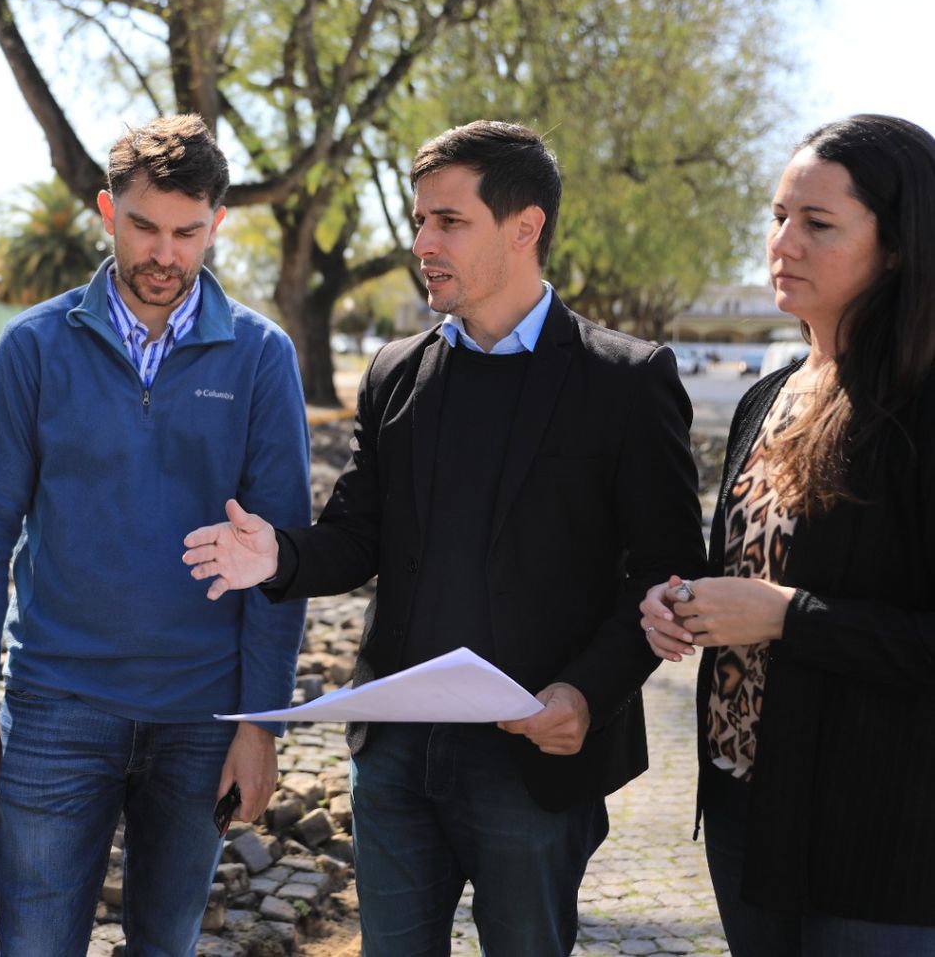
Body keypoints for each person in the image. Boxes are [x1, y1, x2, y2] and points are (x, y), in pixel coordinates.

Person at [183, 119, 705, 956]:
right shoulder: (396, 370)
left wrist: (584, 695)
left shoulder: (627, 379)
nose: (422, 241)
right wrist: (279, 554)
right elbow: (357, 537)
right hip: (393, 760)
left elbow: (668, 571)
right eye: (418, 218)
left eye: (448, 221)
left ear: (525, 227)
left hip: (535, 762)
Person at [0, 114, 311, 956]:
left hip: (204, 717)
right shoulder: (32, 349)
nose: (164, 253)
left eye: (187, 232)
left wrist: (261, 726)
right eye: (144, 226)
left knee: (167, 946)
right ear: (108, 212)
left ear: (217, 225)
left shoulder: (261, 358)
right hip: (54, 709)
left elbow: (280, 559)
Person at [640, 114, 935, 954]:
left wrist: (785, 616)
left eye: (818, 224)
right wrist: (675, 602)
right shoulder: (765, 397)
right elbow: (747, 569)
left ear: (901, 244)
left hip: (878, 833)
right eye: (777, 217)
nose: (783, 243)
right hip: (745, 804)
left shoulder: (922, 404)